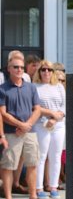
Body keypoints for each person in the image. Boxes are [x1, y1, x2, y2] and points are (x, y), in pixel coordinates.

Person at [0, 55, 41, 199]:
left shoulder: (31, 87)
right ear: (9, 69)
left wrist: (26, 125)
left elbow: (37, 109)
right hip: (11, 133)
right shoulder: (2, 89)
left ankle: (33, 195)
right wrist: (20, 125)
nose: (19, 70)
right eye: (16, 67)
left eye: (21, 67)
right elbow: (3, 114)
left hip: (30, 132)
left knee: (32, 163)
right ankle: (8, 196)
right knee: (8, 166)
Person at [32, 60, 66, 198]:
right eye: (43, 69)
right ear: (39, 72)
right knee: (41, 157)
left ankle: (53, 187)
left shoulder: (58, 86)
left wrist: (55, 118)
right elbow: (35, 107)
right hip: (41, 125)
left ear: (52, 72)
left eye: (49, 70)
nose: (46, 72)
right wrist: (51, 114)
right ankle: (39, 188)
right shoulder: (34, 87)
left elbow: (64, 106)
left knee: (56, 157)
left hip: (58, 126)